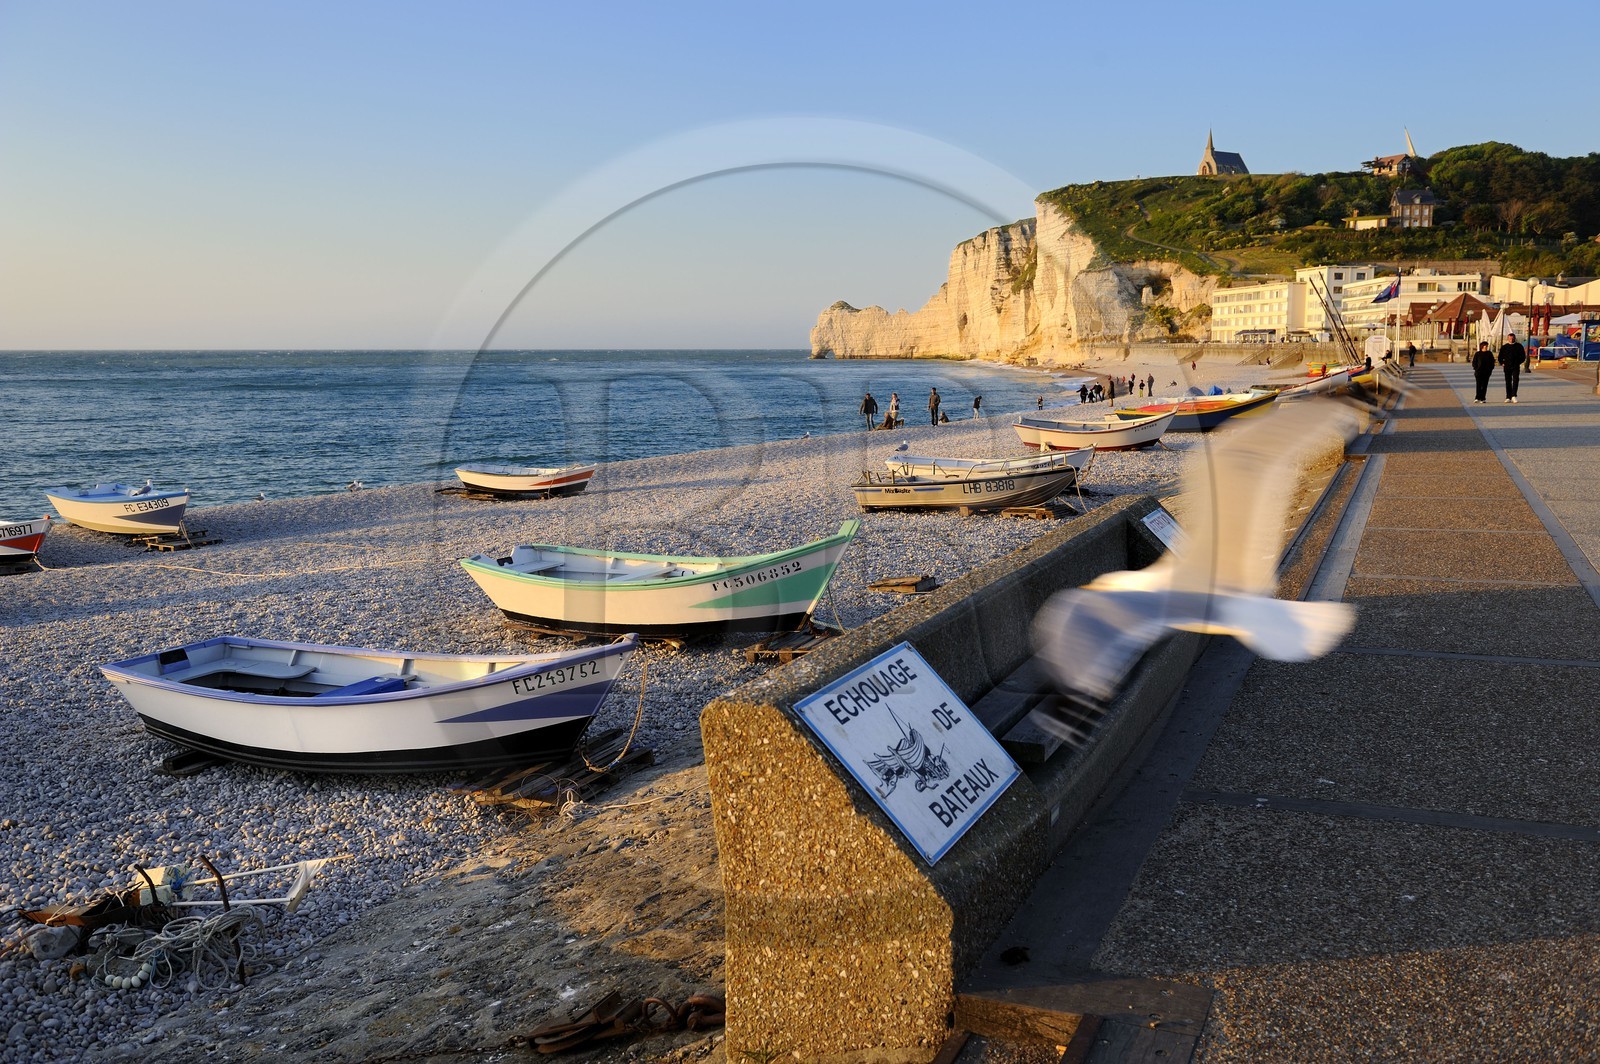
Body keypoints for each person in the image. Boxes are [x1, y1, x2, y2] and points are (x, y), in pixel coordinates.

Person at [1499, 332, 1526, 403]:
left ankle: (1514, 395)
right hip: (1507, 367)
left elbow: (1523, 356)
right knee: (1508, 381)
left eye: (1512, 338)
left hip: (1515, 366)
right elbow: (1500, 357)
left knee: (1515, 380)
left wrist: (1518, 362)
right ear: (1508, 339)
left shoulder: (1519, 346)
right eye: (1510, 338)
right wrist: (1502, 363)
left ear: (1515, 338)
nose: (1511, 339)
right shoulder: (1504, 347)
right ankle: (1508, 396)